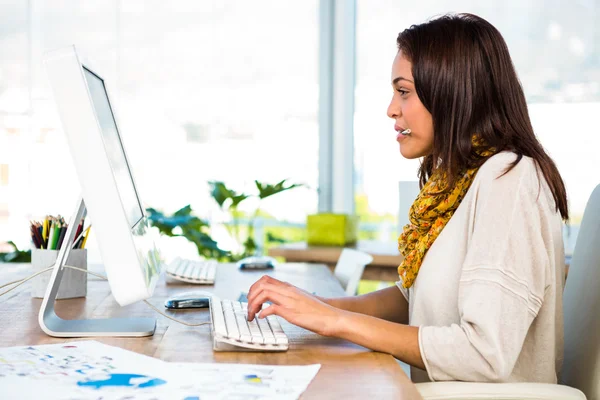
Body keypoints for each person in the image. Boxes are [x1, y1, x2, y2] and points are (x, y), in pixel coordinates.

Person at [246, 13, 568, 384]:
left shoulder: (509, 179)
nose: (391, 109)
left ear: (450, 91)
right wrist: (314, 307)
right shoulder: (458, 182)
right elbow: (411, 298)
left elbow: (484, 354)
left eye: (404, 91)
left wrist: (337, 322)